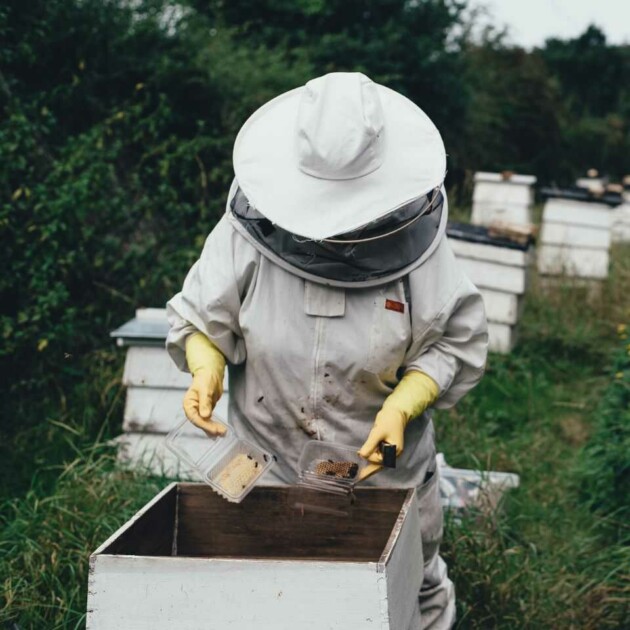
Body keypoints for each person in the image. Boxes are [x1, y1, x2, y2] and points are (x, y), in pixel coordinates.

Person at [166, 72, 488, 629]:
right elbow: (204, 316)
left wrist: (402, 406)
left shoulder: (423, 255)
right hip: (263, 466)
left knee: (408, 591)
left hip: (380, 472)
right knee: (272, 598)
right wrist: (205, 365)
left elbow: (451, 343)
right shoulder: (245, 233)